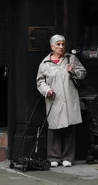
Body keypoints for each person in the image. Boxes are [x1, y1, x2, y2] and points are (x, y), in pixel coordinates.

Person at [36, 34, 86, 167]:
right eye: (58, 44)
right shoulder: (45, 63)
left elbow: (83, 73)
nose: (61, 47)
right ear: (52, 46)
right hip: (54, 99)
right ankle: (54, 157)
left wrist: (73, 70)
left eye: (63, 44)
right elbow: (40, 82)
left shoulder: (71, 58)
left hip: (69, 98)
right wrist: (47, 91)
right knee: (54, 128)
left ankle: (67, 158)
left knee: (69, 128)